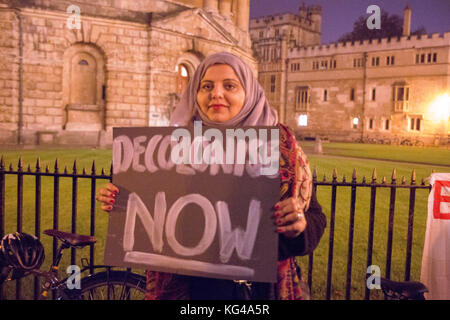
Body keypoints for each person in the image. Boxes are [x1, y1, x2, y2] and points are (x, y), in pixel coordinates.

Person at [96, 52, 326, 300]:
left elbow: (315, 218)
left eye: (229, 86)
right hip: (186, 291)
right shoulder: (166, 147)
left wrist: (299, 227)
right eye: (206, 86)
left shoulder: (281, 146)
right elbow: (145, 208)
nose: (216, 94)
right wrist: (118, 200)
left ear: (248, 92)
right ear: (195, 93)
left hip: (259, 291)